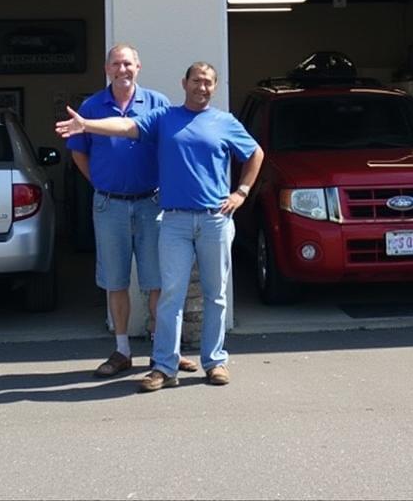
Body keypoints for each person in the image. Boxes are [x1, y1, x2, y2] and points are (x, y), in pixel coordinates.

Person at [56, 61, 264, 392]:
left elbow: (255, 153)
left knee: (216, 295)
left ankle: (215, 361)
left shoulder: (224, 122)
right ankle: (165, 366)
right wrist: (87, 125)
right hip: (174, 221)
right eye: (197, 81)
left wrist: (241, 192)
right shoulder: (164, 118)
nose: (202, 87)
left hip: (214, 220)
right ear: (184, 83)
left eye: (208, 82)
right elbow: (125, 128)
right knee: (170, 295)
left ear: (215, 86)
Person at [66, 44, 196, 378]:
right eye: (115, 64)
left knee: (158, 282)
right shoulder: (91, 107)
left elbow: (173, 148)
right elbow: (78, 152)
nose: (122, 69)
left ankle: (163, 351)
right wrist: (100, 181)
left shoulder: (158, 104)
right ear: (106, 68)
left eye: (127, 63)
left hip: (151, 204)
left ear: (138, 66)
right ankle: (122, 351)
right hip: (109, 205)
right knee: (115, 280)